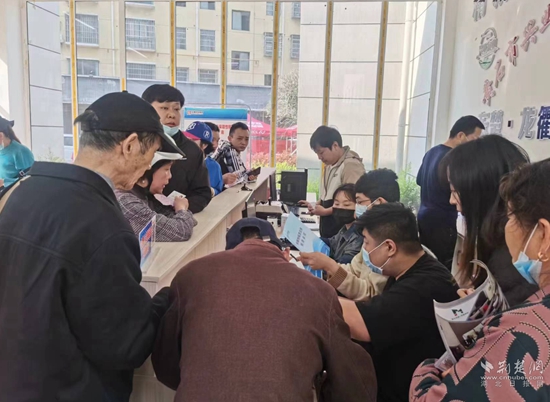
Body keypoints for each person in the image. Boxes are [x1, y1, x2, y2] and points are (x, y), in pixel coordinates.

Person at [0, 92, 181, 401]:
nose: (147, 167)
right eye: (150, 155)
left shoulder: (18, 193)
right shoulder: (105, 226)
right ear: (130, 145)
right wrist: (167, 297)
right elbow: (127, 345)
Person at [152, 217, 378, 402]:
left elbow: (165, 364)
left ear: (227, 251)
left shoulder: (191, 275)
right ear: (285, 253)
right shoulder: (319, 290)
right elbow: (354, 381)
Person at [410, 158, 550, 402]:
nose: (451, 200)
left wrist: (430, 370)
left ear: (543, 235)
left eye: (511, 217)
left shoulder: (519, 334)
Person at [337, 203, 459, 402]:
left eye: (366, 242)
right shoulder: (411, 269)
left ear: (389, 247)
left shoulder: (424, 285)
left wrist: (308, 290)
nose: (364, 250)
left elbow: (362, 324)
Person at [442, 134, 537, 307]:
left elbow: (507, 313)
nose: (451, 200)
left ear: (480, 191)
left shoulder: (512, 257)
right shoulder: (500, 238)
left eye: (455, 191)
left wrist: (478, 307)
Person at [299, 169, 401, 301]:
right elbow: (353, 270)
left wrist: (328, 266)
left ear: (378, 202)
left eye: (359, 202)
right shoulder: (372, 231)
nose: (356, 209)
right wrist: (325, 267)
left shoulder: (388, 239)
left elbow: (369, 294)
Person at [416, 116, 485, 269]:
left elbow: (419, 180)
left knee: (427, 262)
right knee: (443, 267)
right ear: (461, 135)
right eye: (474, 139)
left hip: (424, 217)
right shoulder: (454, 160)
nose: (476, 145)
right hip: (443, 222)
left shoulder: (432, 152)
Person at [142, 84, 212, 213]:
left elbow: (202, 193)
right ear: (147, 110)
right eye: (164, 108)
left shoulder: (192, 151)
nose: (172, 115)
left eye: (176, 109)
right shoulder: (135, 145)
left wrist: (181, 208)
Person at [115, 146, 197, 242]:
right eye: (166, 169)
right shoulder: (127, 203)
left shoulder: (143, 196)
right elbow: (181, 231)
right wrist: (181, 209)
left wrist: (181, 212)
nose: (170, 176)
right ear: (147, 172)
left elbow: (190, 221)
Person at [302, 126, 365, 238]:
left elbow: (352, 201)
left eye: (321, 152)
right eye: (317, 153)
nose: (319, 157)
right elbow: (327, 195)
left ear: (335, 145)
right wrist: (316, 205)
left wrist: (325, 211)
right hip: (328, 229)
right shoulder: (329, 165)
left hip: (341, 230)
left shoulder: (350, 165)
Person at [323, 184, 364, 264]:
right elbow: (332, 242)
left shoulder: (358, 235)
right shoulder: (345, 229)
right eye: (336, 204)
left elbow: (344, 263)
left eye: (346, 205)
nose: (340, 207)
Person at [183, 121, 223, 196]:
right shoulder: (177, 160)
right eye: (186, 139)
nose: (187, 143)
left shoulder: (213, 167)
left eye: (192, 140)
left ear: (204, 145)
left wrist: (211, 191)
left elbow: (218, 191)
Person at [0, 116, 34, 189]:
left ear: (1, 136)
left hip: (16, 194)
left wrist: (4, 182)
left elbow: (30, 180)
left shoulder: (21, 152)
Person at [205, 121, 238, 186]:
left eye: (217, 141)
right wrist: (220, 180)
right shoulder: (191, 162)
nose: (215, 145)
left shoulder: (216, 162)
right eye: (212, 140)